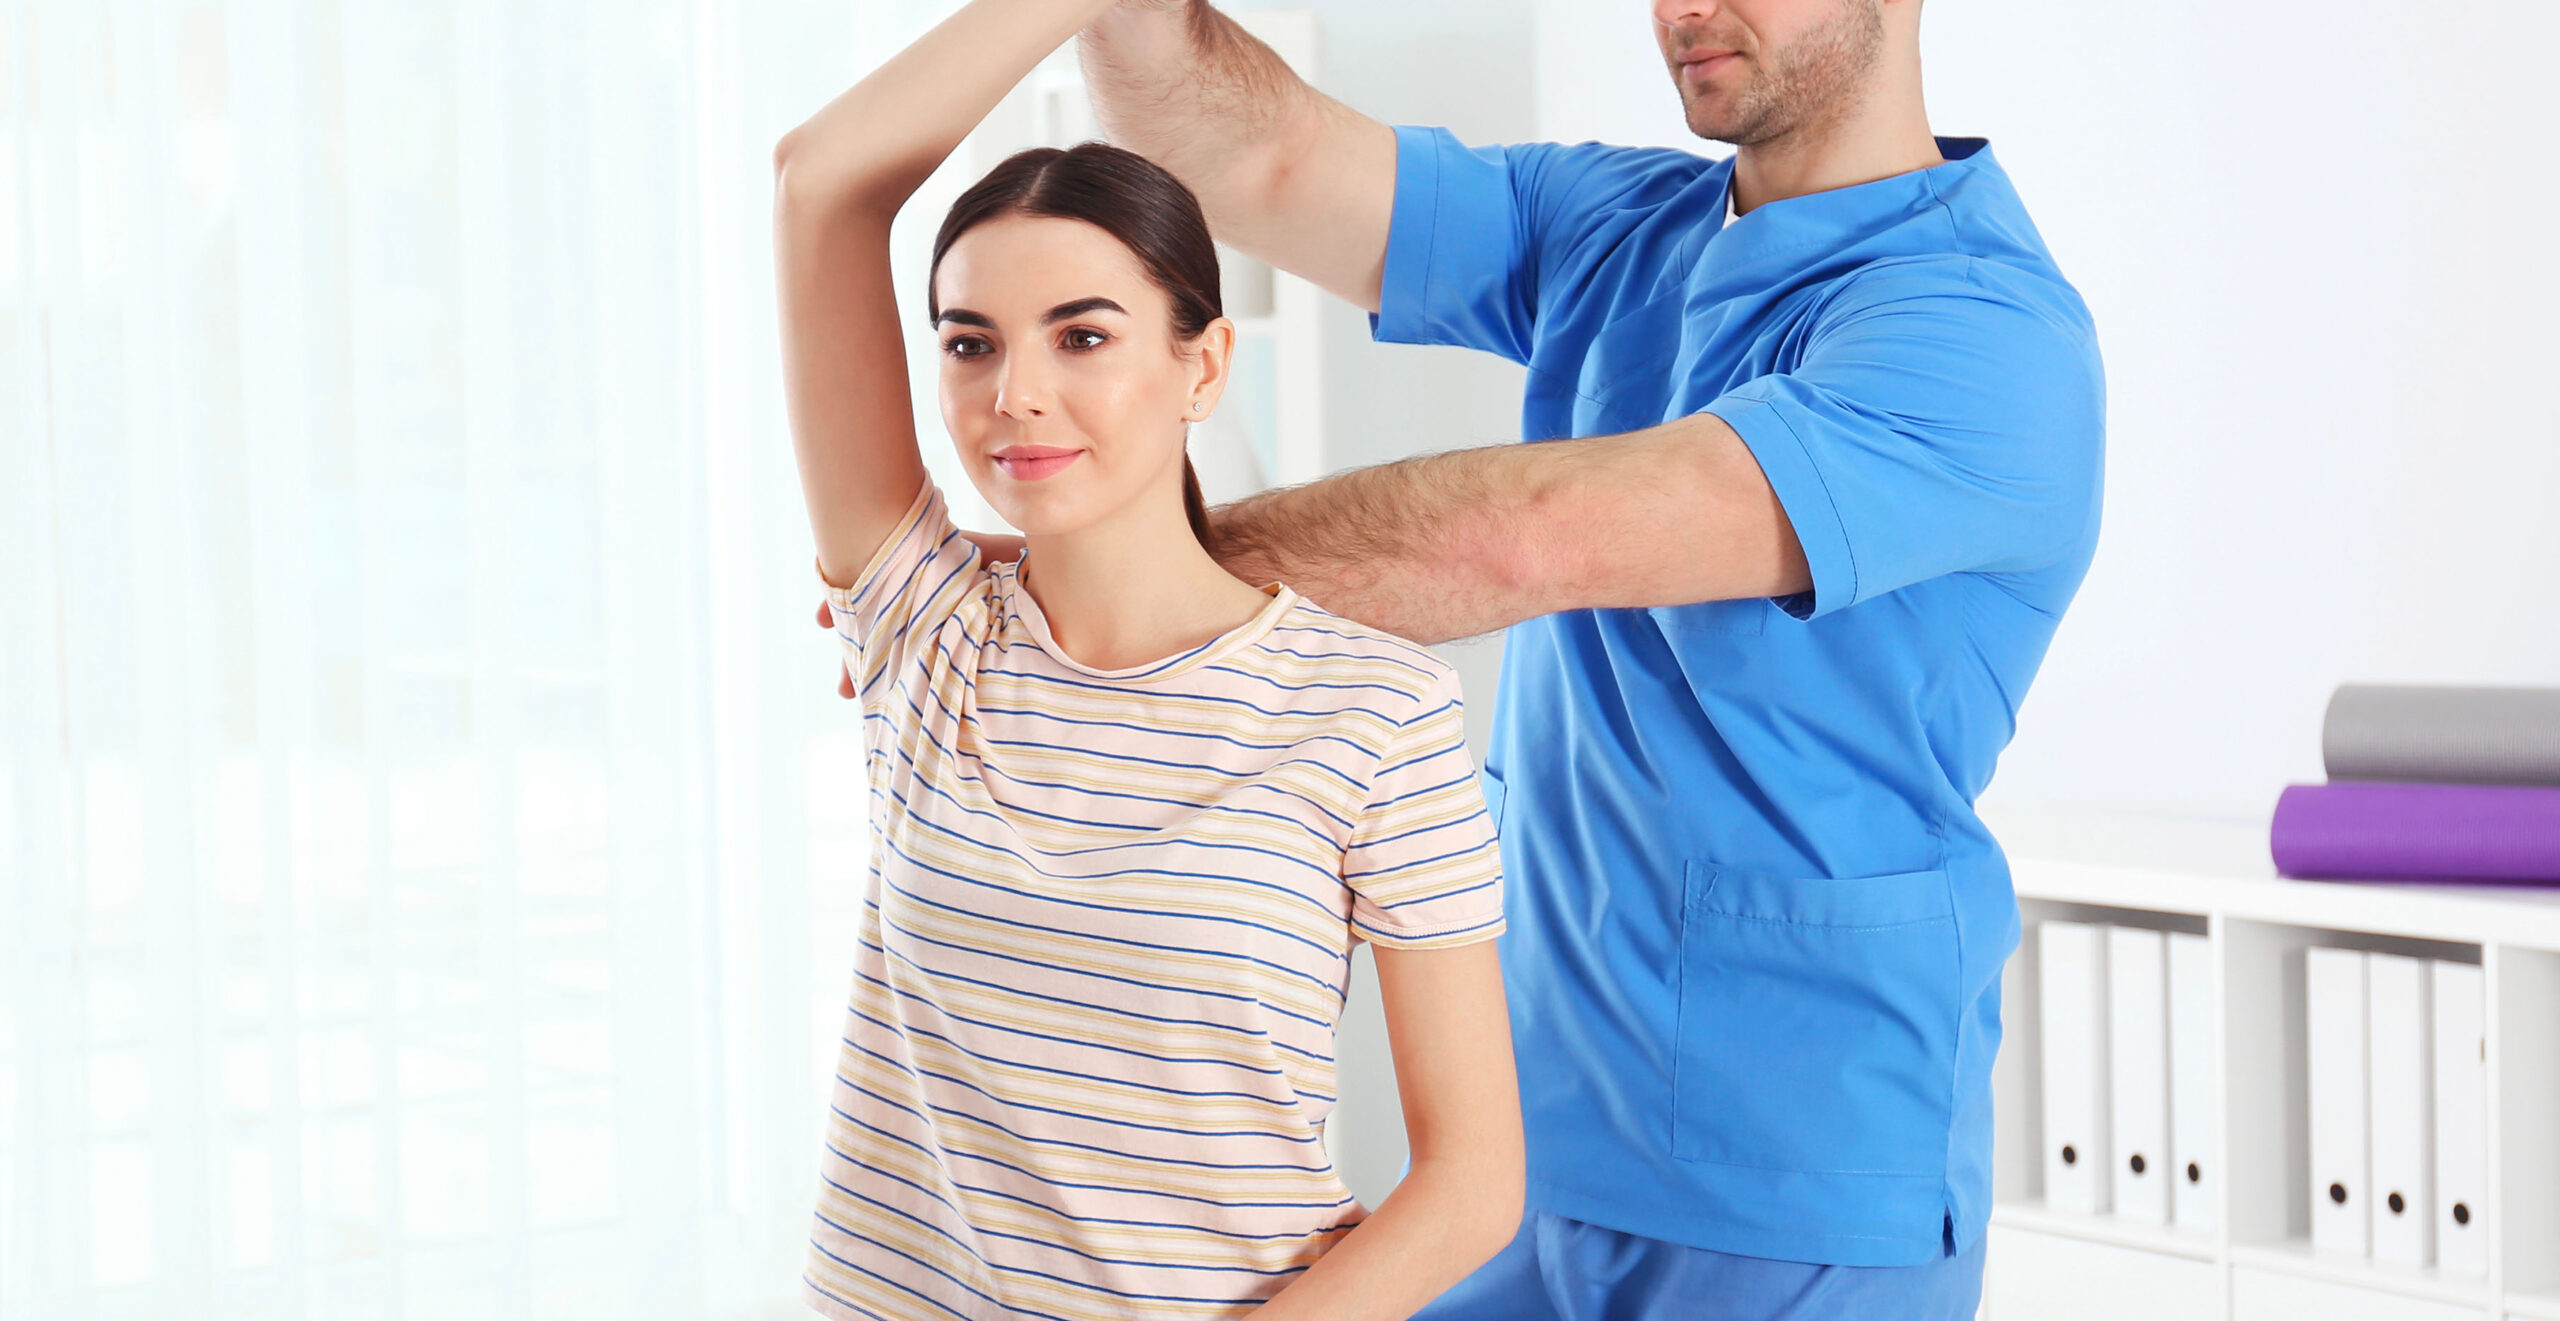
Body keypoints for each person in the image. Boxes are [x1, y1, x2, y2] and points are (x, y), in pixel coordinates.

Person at [826, 0, 2106, 1316]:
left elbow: (1528, 541)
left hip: (1800, 1177)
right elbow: (1253, 155)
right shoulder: (1618, 227)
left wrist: (1090, 575)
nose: (1686, 10)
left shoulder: (1982, 335)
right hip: (1537, 1148)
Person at [772, 1, 1528, 1318]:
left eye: (1083, 335)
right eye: (971, 342)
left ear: (1203, 364)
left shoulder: (1378, 713)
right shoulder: (923, 632)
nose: (1016, 393)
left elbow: (1472, 1179)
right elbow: (819, 182)